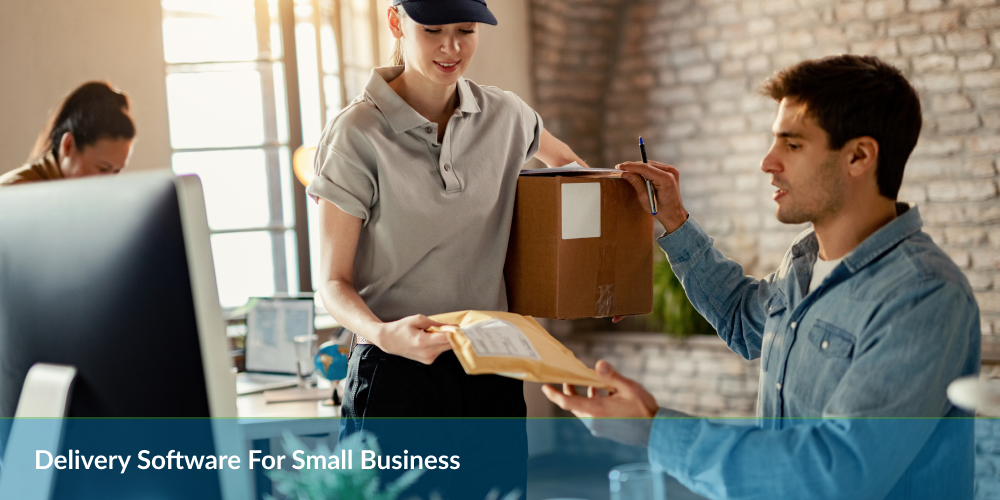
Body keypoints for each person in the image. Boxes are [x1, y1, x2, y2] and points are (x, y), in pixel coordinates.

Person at [543, 54, 980, 500]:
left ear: (859, 156)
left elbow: (833, 475)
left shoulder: (923, 295)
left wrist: (654, 430)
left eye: (791, 145)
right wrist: (673, 218)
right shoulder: (805, 263)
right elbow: (741, 318)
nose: (767, 162)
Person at [306, 0, 588, 495]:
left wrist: (597, 279)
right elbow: (331, 282)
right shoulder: (356, 134)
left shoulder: (507, 115)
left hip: (491, 364)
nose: (451, 47)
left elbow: (573, 173)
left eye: (466, 30)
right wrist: (383, 333)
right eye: (433, 29)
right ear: (397, 23)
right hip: (397, 372)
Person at [0, 81, 135, 187]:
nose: (109, 183)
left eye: (117, 171)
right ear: (68, 145)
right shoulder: (13, 195)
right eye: (103, 169)